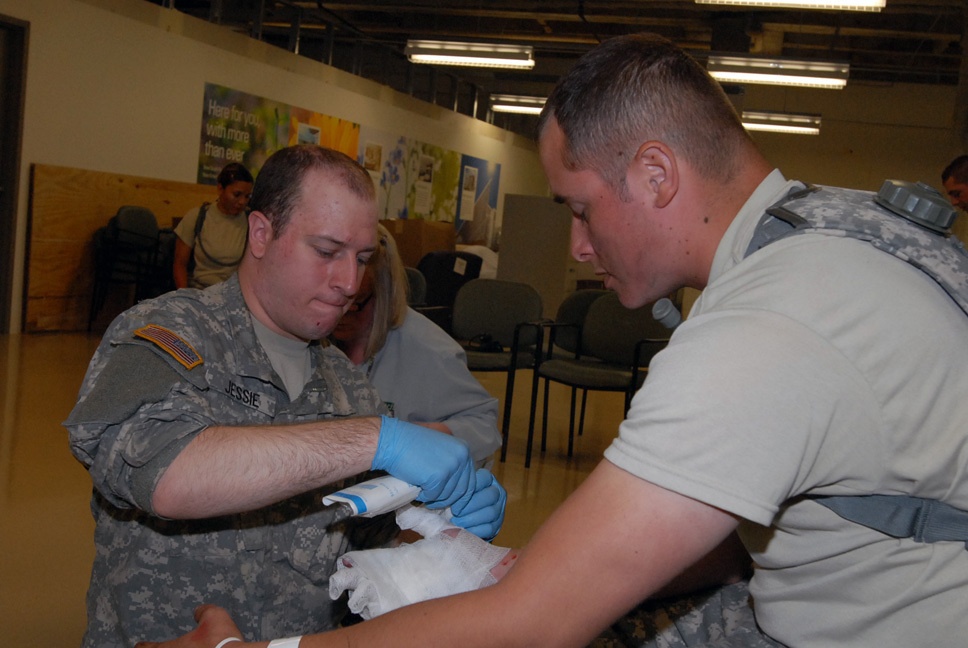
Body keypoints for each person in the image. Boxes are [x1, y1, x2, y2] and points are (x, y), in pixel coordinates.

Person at [138, 33, 968, 648]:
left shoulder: (764, 330)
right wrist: (537, 571)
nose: (576, 245)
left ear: (654, 175)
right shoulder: (838, 231)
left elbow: (532, 626)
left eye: (579, 207)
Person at [65, 144, 505, 648]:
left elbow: (360, 542)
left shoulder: (348, 383)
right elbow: (160, 472)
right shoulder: (171, 331)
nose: (348, 283)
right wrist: (373, 440)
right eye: (326, 251)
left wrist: (441, 525)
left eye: (362, 259)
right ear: (261, 233)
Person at [329, 224, 502, 466]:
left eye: (356, 303)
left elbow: (484, 424)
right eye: (333, 300)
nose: (339, 314)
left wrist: (426, 434)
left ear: (385, 294)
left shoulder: (430, 350)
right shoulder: (316, 334)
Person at [173, 162, 254, 289]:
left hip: (234, 294)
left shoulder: (252, 222)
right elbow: (180, 264)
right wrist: (184, 297)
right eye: (237, 195)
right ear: (220, 189)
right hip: (200, 291)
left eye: (247, 196)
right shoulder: (196, 217)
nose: (242, 202)